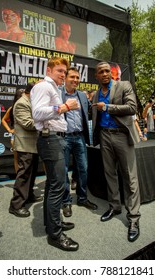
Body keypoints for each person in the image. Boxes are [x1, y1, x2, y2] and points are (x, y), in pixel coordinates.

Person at [30, 57, 79, 251]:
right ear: (49, 70)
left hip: (53, 138)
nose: (63, 75)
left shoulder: (53, 88)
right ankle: (56, 235)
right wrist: (66, 107)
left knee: (52, 185)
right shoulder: (44, 86)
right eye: (59, 71)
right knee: (58, 186)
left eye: (64, 72)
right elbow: (38, 113)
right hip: (50, 139)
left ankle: (52, 224)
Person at [92, 61, 141, 242]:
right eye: (101, 72)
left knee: (130, 177)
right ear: (96, 76)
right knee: (110, 174)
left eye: (107, 71)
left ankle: (134, 218)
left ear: (111, 73)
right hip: (105, 136)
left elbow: (132, 108)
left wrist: (108, 107)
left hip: (122, 136)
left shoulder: (123, 85)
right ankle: (115, 206)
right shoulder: (96, 93)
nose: (104, 74)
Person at [61, 67, 98, 218]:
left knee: (84, 168)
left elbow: (90, 110)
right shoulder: (58, 94)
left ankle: (82, 198)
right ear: (65, 78)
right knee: (63, 171)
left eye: (77, 77)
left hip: (80, 137)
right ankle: (66, 201)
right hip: (63, 137)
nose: (76, 80)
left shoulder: (82, 96)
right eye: (72, 77)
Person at [9, 82, 42, 218]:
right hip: (25, 145)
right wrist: (45, 119)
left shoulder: (29, 101)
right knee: (24, 174)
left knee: (31, 173)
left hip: (32, 144)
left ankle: (28, 196)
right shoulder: (22, 103)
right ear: (32, 92)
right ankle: (16, 205)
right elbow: (28, 124)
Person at [2, 88, 24, 173]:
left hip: (27, 136)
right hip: (15, 136)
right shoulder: (12, 108)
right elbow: (3, 120)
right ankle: (19, 179)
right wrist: (9, 129)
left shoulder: (29, 106)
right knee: (17, 159)